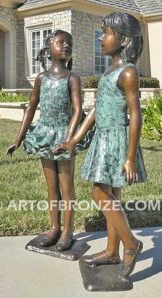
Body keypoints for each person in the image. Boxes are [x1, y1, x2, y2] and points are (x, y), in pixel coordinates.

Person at [55, 12, 147, 277]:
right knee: (113, 197)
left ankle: (131, 244)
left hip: (116, 139)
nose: (100, 38)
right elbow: (96, 110)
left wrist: (129, 157)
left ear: (124, 40)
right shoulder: (110, 71)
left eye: (105, 33)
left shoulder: (128, 72)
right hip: (103, 137)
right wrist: (74, 139)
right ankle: (111, 251)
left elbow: (135, 114)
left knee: (99, 193)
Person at [6, 30, 82, 250]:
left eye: (69, 43)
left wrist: (69, 140)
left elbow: (77, 110)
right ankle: (54, 228)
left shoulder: (72, 78)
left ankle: (68, 231)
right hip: (44, 135)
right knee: (52, 188)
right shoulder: (41, 79)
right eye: (60, 42)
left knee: (66, 187)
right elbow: (30, 108)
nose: (66, 45)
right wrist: (18, 139)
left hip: (63, 136)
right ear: (49, 49)